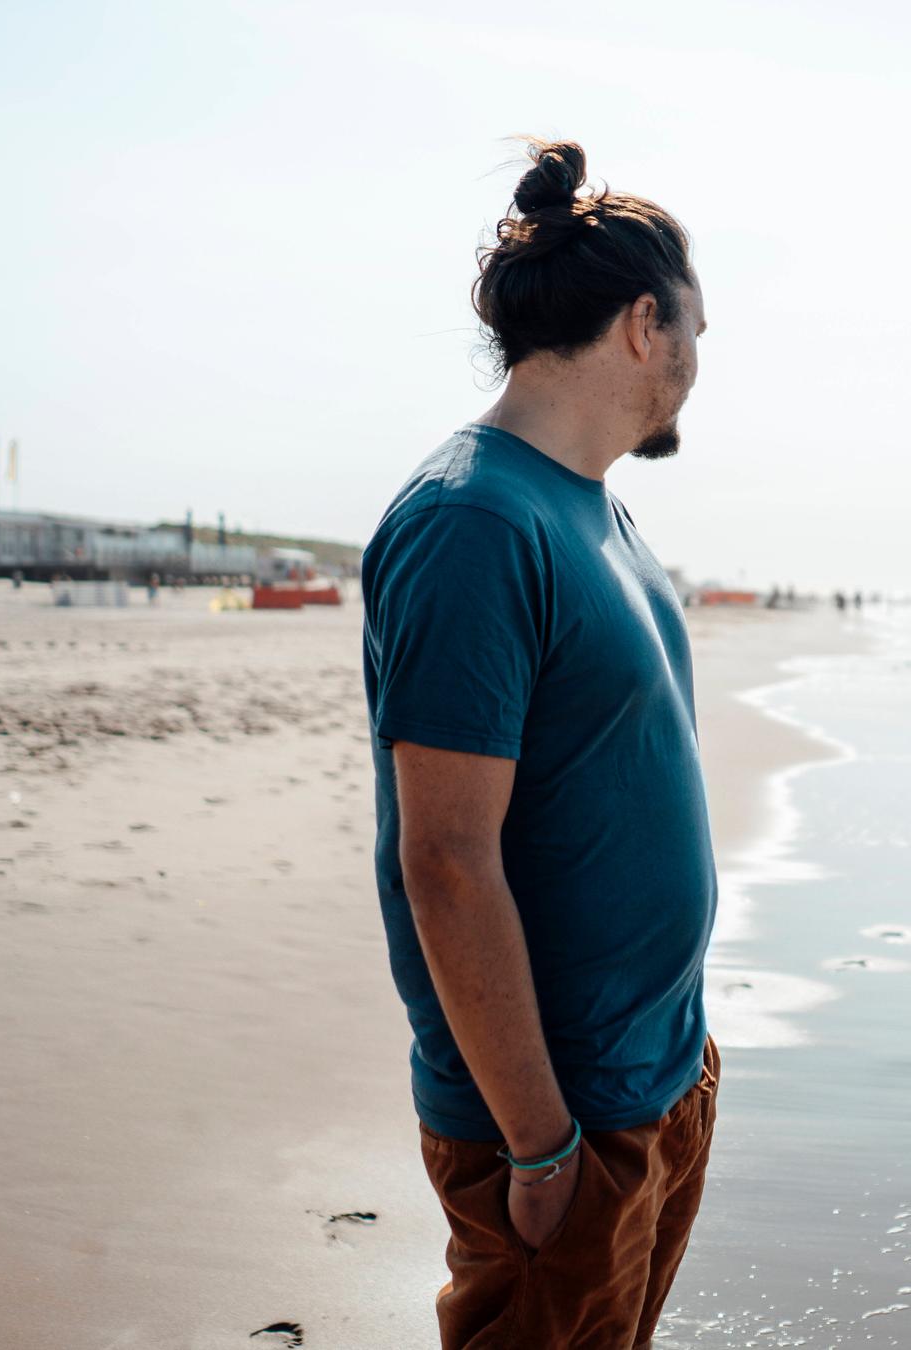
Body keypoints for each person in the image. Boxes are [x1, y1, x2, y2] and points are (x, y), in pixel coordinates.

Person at [359, 138, 717, 1350]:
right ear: (638, 324)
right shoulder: (473, 521)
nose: (694, 367)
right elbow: (446, 859)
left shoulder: (595, 506)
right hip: (560, 1125)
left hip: (656, 1079)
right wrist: (541, 1140)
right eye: (692, 335)